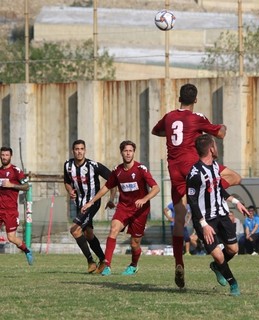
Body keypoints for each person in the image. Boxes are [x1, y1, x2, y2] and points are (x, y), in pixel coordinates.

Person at [152, 83, 241, 288]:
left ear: (179, 98)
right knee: (235, 177)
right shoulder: (197, 118)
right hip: (194, 167)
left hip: (175, 170)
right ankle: (212, 191)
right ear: (195, 99)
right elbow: (220, 133)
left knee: (180, 219)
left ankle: (179, 263)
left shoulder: (168, 117)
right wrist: (222, 126)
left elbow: (156, 131)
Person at [81, 140, 160, 276]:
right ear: (121, 152)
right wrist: (91, 202)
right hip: (123, 207)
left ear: (134, 152)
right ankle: (107, 265)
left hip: (140, 210)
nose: (128, 153)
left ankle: (133, 265)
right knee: (114, 229)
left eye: (130, 151)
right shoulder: (117, 171)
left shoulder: (141, 169)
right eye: (125, 151)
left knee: (134, 244)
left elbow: (156, 188)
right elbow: (107, 187)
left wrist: (144, 199)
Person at [186, 134, 249, 296]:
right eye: (215, 145)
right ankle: (233, 284)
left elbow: (219, 189)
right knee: (218, 254)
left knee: (233, 249)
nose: (217, 148)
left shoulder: (215, 166)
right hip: (204, 220)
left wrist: (236, 202)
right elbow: (192, 201)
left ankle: (216, 267)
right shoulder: (194, 173)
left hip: (221, 215)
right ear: (211, 148)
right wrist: (204, 225)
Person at [64, 139, 114, 273]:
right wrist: (70, 191)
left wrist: (112, 198)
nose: (79, 152)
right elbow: (67, 182)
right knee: (89, 234)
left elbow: (112, 179)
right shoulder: (68, 165)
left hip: (92, 203)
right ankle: (103, 261)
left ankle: (91, 261)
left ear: (85, 150)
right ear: (73, 151)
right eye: (77, 149)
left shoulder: (93, 165)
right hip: (80, 204)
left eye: (82, 149)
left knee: (74, 230)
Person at [0, 146, 33, 265]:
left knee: (11, 238)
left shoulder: (16, 171)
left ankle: (27, 250)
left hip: (10, 210)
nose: (4, 157)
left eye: (6, 155)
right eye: (2, 155)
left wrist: (11, 185)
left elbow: (26, 186)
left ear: (10, 156)